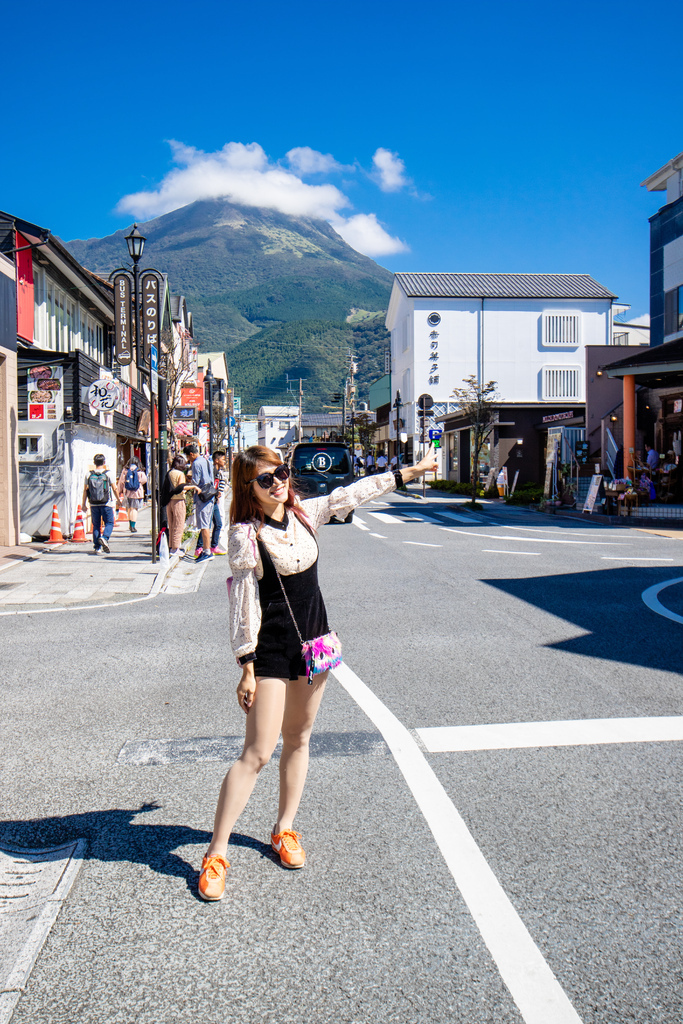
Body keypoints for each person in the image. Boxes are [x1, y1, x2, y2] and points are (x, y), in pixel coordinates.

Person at [197, 443, 439, 901]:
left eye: (281, 472)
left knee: (301, 738)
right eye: (265, 479)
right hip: (270, 650)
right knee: (257, 753)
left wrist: (412, 470)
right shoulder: (245, 535)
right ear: (250, 490)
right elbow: (243, 603)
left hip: (318, 643)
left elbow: (352, 494)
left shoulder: (306, 514)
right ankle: (216, 853)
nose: (278, 483)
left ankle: (284, 829)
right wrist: (245, 666)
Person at [184, 443, 216, 563]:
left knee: (204, 525)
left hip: (202, 496)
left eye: (188, 457)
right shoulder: (207, 460)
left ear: (191, 454)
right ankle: (206, 550)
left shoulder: (196, 463)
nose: (188, 460)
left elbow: (195, 482)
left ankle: (207, 551)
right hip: (210, 494)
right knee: (206, 523)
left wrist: (187, 481)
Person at [82, 454, 118, 555]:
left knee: (96, 525)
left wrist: (83, 504)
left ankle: (97, 547)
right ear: (104, 462)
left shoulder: (88, 474)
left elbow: (85, 490)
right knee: (109, 522)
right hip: (106, 503)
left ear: (94, 463)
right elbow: (114, 488)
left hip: (93, 503)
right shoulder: (108, 474)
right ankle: (105, 538)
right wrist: (118, 500)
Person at [161, 454, 196, 555]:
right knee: (179, 524)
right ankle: (176, 548)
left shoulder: (169, 473)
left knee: (171, 524)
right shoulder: (180, 474)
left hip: (169, 501)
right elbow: (181, 487)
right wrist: (193, 487)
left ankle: (171, 546)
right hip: (179, 500)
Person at [117, 457, 147, 533]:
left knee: (129, 508)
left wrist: (119, 491)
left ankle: (130, 524)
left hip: (127, 492)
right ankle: (133, 526)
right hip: (137, 493)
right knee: (134, 509)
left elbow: (121, 481)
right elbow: (144, 480)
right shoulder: (139, 471)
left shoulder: (125, 470)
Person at [211, 450, 231, 555]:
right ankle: (202, 547)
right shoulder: (213, 471)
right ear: (216, 460)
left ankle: (213, 546)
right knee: (211, 523)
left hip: (215, 498)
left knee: (217, 523)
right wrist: (216, 493)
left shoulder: (219, 471)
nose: (225, 462)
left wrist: (219, 492)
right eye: (223, 459)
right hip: (211, 500)